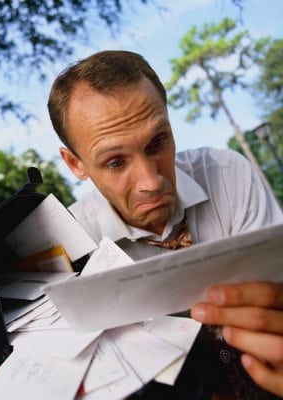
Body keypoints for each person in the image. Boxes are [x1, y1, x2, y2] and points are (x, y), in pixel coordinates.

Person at [47, 50, 283, 398]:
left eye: (158, 142)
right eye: (115, 162)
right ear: (74, 163)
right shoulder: (69, 243)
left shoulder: (228, 175)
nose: (151, 181)